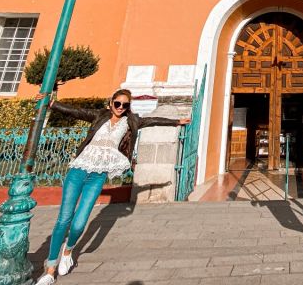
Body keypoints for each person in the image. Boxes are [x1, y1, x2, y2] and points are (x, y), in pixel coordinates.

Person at [34, 89, 188, 284]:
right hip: (78, 170)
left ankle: (69, 249)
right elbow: (77, 112)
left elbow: (152, 121)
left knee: (80, 222)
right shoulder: (100, 115)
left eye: (125, 105)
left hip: (97, 176)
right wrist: (53, 104)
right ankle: (50, 269)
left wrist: (176, 122)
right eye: (118, 104)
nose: (121, 108)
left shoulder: (131, 121)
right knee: (63, 220)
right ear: (111, 103)